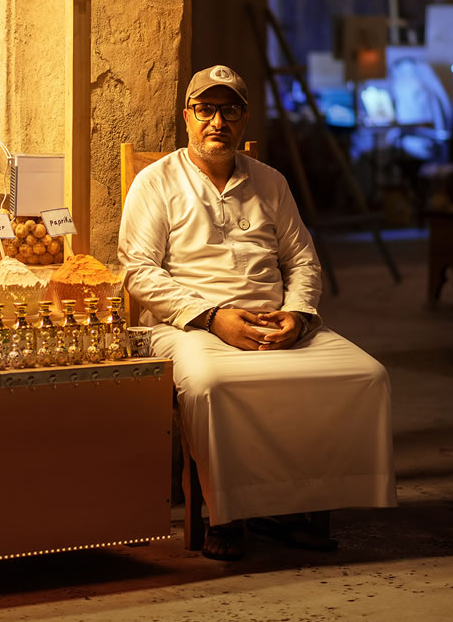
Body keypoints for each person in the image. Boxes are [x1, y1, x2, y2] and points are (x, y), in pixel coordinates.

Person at [118, 65, 397, 560]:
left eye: (229, 111)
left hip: (273, 320)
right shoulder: (155, 182)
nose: (216, 122)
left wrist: (299, 314)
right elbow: (138, 273)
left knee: (365, 375)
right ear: (187, 116)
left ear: (244, 120)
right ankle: (227, 514)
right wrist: (212, 316)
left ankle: (306, 502)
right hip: (188, 323)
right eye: (206, 109)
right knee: (212, 385)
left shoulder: (271, 182)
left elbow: (303, 261)